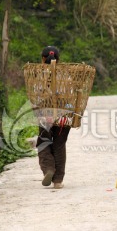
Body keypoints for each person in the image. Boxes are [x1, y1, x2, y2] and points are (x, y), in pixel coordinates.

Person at [36, 46, 71, 189]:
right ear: (59, 58)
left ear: (43, 59)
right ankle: (58, 181)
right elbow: (72, 97)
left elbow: (35, 98)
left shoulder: (37, 75)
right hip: (63, 118)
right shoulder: (66, 76)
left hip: (45, 116)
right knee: (59, 146)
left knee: (44, 142)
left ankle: (48, 169)